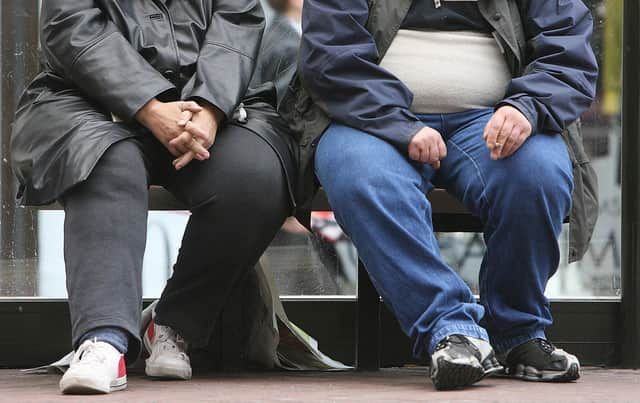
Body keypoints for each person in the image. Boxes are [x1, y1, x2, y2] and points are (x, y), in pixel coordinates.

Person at [282, 0, 599, 390]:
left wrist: (528, 107)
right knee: (359, 173)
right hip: (370, 119)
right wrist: (398, 125)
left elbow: (567, 46)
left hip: (494, 116)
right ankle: (451, 330)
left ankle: (518, 333)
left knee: (538, 173)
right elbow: (329, 58)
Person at [11, 0, 298, 395]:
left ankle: (173, 325)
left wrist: (211, 108)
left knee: (255, 178)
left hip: (213, 104)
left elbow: (238, 19)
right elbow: (69, 23)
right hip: (86, 100)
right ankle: (103, 342)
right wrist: (149, 107)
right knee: (105, 161)